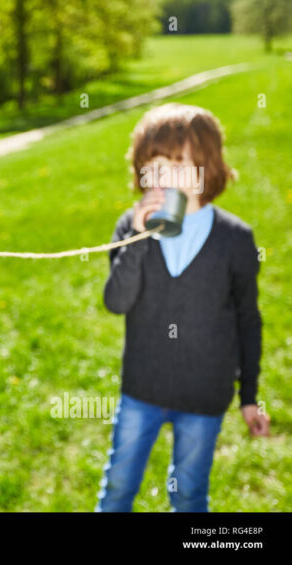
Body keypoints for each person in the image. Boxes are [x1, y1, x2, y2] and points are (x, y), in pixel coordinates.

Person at [96, 103, 270, 512]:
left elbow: (248, 320)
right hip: (142, 389)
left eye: (175, 163)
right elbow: (116, 301)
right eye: (152, 166)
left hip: (204, 394)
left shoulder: (235, 239)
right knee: (118, 487)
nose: (161, 177)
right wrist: (138, 240)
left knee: (189, 495)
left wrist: (249, 396)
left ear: (206, 167)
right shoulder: (130, 226)